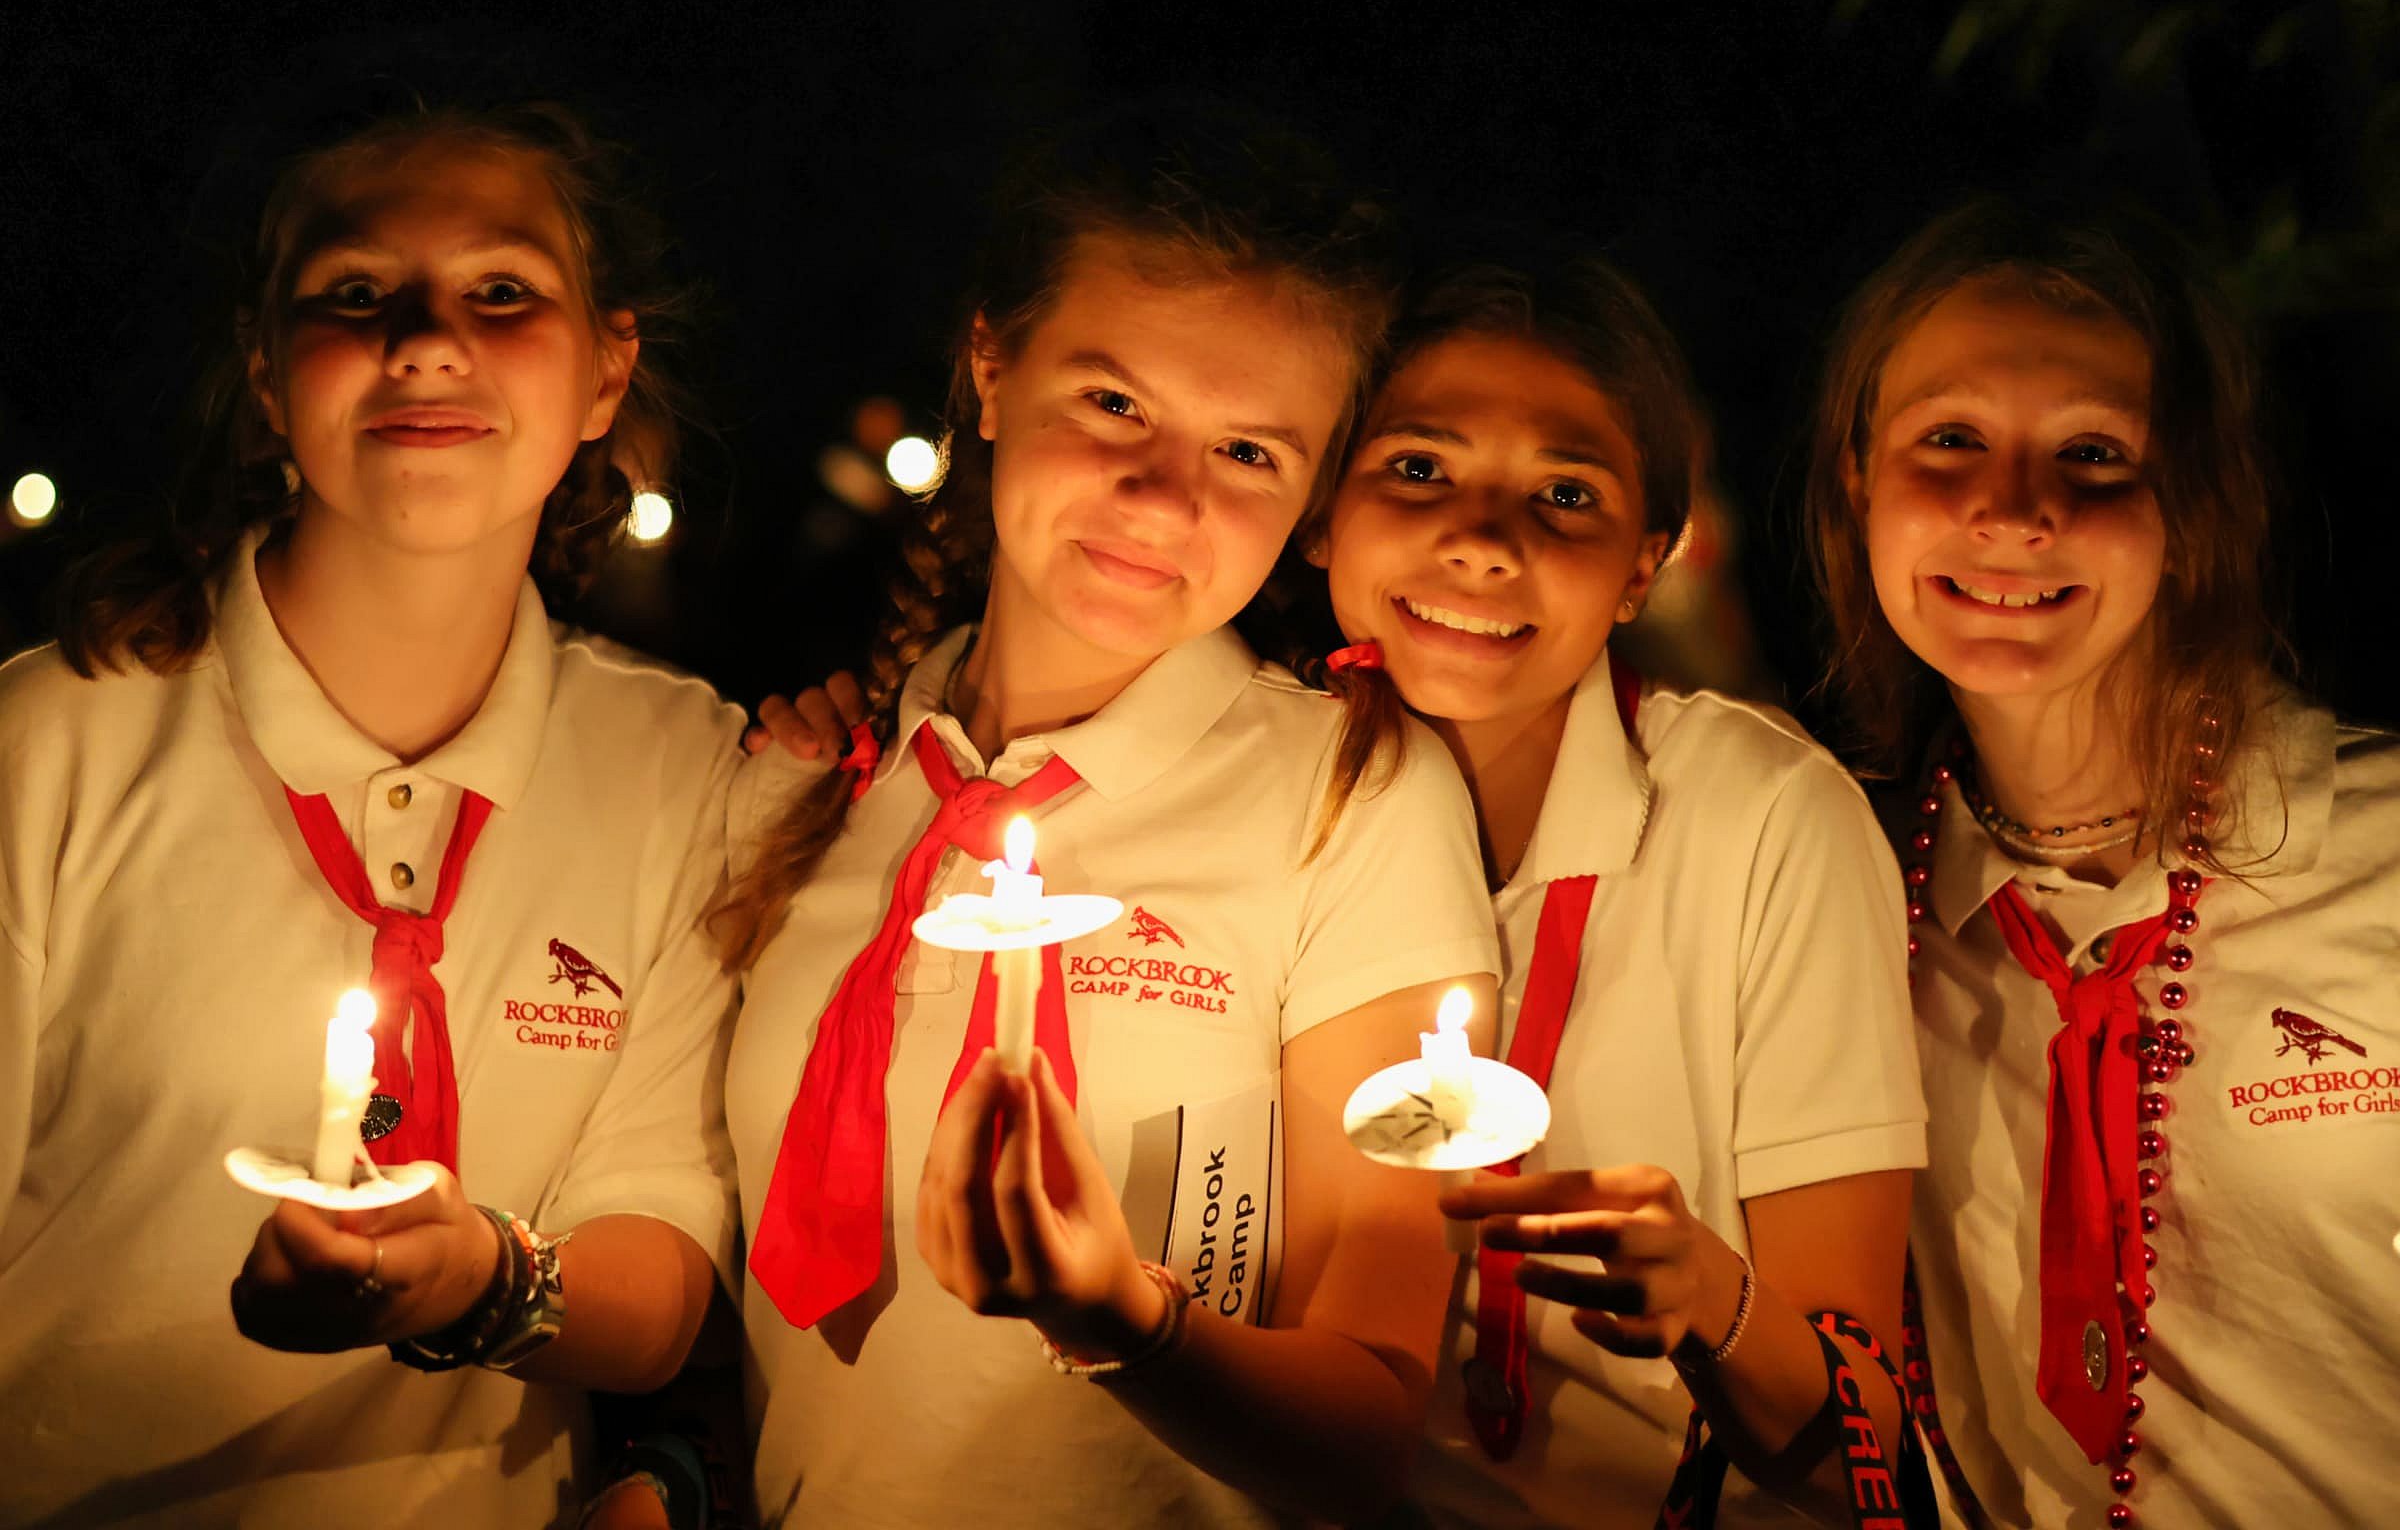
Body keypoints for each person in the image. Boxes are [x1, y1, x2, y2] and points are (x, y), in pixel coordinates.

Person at [762, 237, 1930, 1528]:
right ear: (1325, 513)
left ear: (1644, 564)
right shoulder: (1255, 797)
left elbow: (1864, 1445)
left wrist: (1713, 1299)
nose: (1482, 542)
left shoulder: (1760, 822)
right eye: (1419, 469)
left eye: (1567, 495)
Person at [712, 106, 1501, 1528]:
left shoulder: (1349, 798)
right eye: (1116, 405)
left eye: (1251, 453)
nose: (1161, 497)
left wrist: (1128, 1324)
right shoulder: (819, 779)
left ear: (1314, 495)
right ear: (992, 369)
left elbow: (1373, 1430)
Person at [0, 100, 745, 1528]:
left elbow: (653, 1285)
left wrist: (479, 1284)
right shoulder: (51, 750)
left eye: (503, 291)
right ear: (265, 372)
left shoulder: (680, 766)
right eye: (355, 293)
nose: (424, 339)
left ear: (608, 368)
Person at [1806, 197, 2400, 1528]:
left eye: (2094, 452)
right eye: (1948, 439)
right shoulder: (1845, 903)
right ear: (1860, 480)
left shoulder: (2385, 854)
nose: (2013, 513)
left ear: (2192, 504)